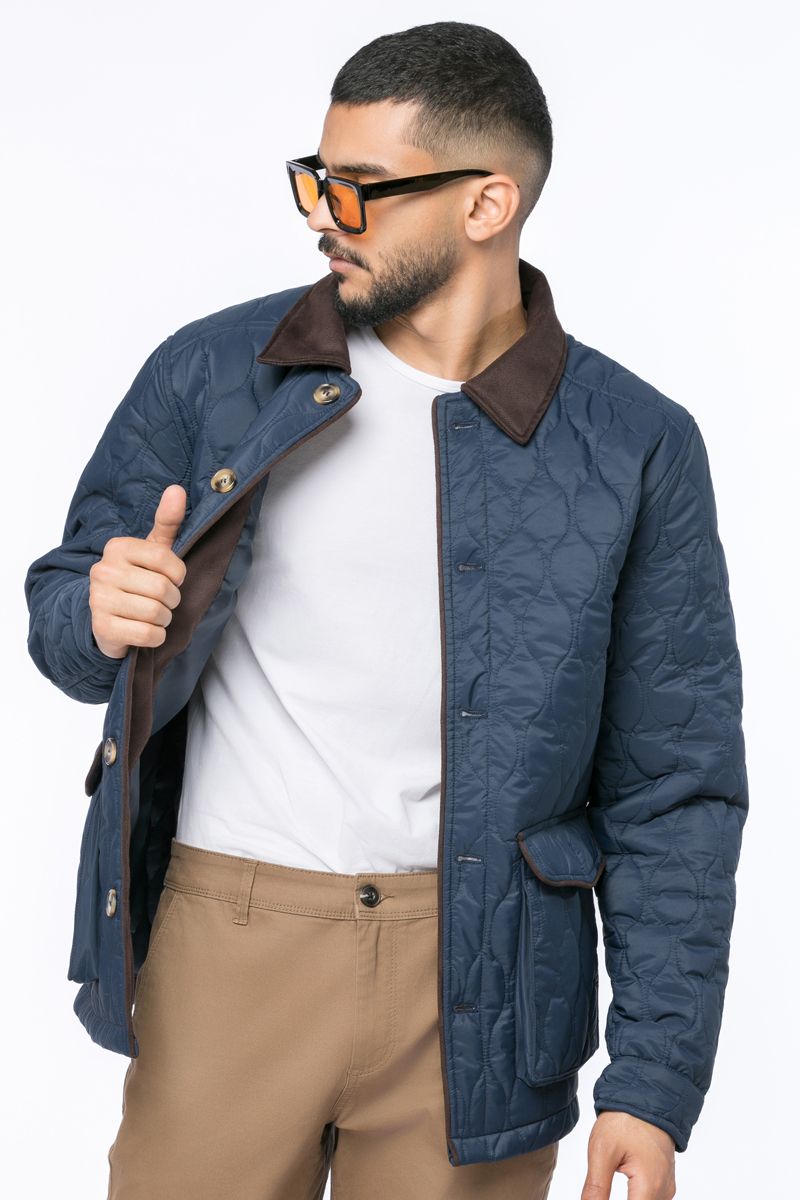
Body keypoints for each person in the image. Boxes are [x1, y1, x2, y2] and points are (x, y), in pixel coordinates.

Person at [23, 20, 748, 1200]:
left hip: (483, 983)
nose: (323, 217)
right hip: (227, 943)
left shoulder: (631, 445)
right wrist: (97, 614)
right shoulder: (216, 373)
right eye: (316, 180)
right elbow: (66, 609)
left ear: (486, 203)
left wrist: (651, 1081)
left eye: (358, 189)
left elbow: (676, 785)